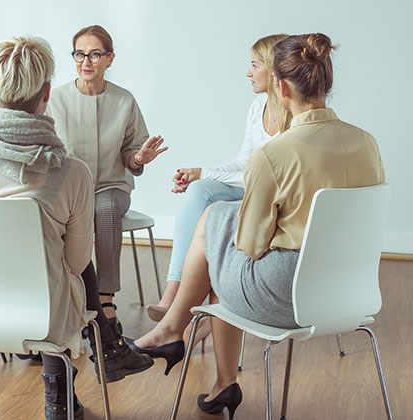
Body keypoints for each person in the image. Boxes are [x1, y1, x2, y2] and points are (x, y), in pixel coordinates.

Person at [129, 33, 385, 419]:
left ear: (281, 88)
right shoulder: (367, 142)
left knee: (215, 227)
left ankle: (174, 331)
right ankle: (218, 381)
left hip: (288, 297)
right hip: (352, 293)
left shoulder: (275, 153)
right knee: (219, 226)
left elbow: (249, 246)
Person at [0, 36, 153, 420]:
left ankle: (85, 365)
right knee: (68, 271)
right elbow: (74, 264)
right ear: (47, 93)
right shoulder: (70, 172)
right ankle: (62, 389)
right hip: (40, 313)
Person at [147, 34, 292, 326]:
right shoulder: (257, 108)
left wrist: (205, 173)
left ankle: (182, 302)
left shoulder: (293, 114)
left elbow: (266, 177)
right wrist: (199, 172)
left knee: (205, 190)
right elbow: (245, 161)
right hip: (248, 189)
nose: (248, 72)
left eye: (254, 65)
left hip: (271, 198)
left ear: (274, 69)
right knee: (199, 189)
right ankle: (172, 292)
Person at [46, 25, 167, 324]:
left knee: (106, 208)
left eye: (95, 54)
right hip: (69, 191)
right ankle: (60, 297)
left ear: (110, 58)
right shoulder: (55, 100)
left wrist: (139, 157)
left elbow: (132, 151)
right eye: (80, 54)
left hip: (111, 188)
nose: (86, 62)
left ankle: (105, 298)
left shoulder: (124, 101)